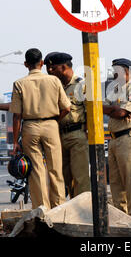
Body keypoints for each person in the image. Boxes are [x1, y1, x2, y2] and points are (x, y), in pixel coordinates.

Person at [8, 48, 71, 209]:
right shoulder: (54, 81)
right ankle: (59, 207)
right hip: (51, 125)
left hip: (30, 127)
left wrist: (15, 142)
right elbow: (66, 108)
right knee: (55, 169)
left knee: (36, 171)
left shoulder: (19, 84)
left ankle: (43, 209)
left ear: (25, 64)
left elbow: (16, 116)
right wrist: (54, 120)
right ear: (42, 63)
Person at [43, 52, 91, 198]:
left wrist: (88, 134)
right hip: (58, 136)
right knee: (64, 177)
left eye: (52, 68)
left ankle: (85, 210)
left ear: (64, 67)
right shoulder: (54, 87)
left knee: (80, 177)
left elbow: (91, 113)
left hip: (77, 135)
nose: (49, 72)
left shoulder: (82, 86)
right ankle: (72, 208)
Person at [103, 58, 131, 216]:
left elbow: (122, 113)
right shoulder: (116, 90)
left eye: (116, 72)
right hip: (114, 139)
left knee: (129, 177)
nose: (113, 75)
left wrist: (113, 109)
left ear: (126, 72)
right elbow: (103, 107)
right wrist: (111, 109)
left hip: (127, 137)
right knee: (115, 180)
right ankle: (121, 213)